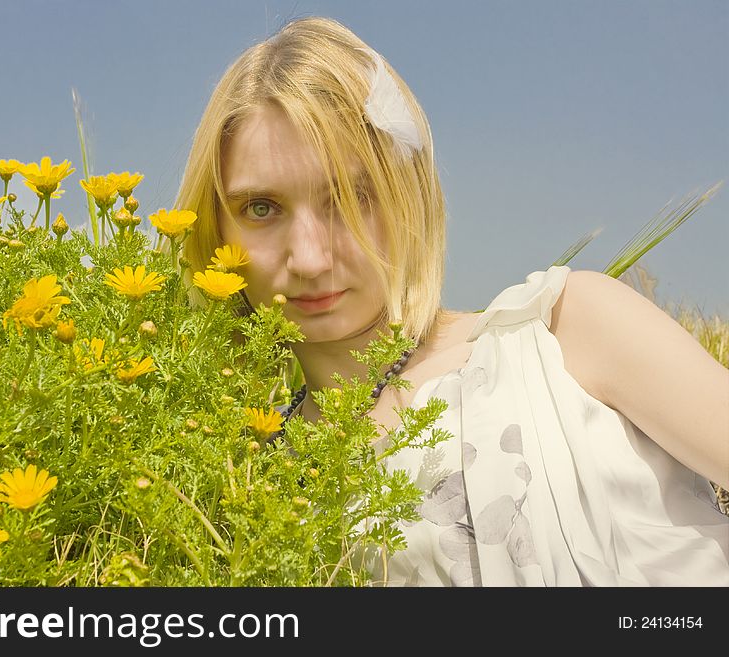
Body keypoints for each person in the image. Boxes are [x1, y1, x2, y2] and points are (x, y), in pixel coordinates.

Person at [175, 16, 729, 586]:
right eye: (261, 208)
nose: (311, 259)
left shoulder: (567, 331)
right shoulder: (241, 479)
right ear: (215, 229)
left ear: (406, 194)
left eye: (348, 196)